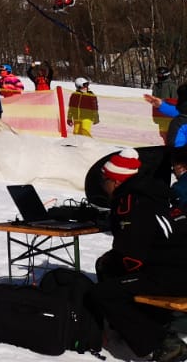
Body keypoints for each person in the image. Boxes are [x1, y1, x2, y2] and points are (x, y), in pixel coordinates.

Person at [84, 149, 187, 362]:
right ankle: (145, 323)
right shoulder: (153, 191)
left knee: (104, 292)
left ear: (115, 181)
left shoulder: (131, 203)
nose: (103, 184)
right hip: (177, 265)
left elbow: (133, 257)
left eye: (105, 180)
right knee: (110, 267)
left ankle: (163, 343)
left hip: (173, 274)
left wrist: (119, 261)